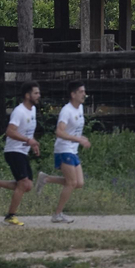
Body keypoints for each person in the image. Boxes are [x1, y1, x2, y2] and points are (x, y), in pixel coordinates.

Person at [0, 81, 43, 226]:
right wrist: (28, 140)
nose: (38, 96)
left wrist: (33, 143)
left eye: (38, 93)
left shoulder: (32, 110)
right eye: (35, 93)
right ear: (27, 95)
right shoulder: (19, 111)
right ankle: (10, 216)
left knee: (27, 186)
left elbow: (27, 131)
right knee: (23, 183)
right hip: (13, 151)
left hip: (22, 151)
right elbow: (10, 132)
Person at [49, 80, 90, 224]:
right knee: (71, 182)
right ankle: (57, 214)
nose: (84, 94)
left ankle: (46, 179)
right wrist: (77, 139)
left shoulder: (80, 108)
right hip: (64, 149)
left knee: (79, 183)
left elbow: (75, 130)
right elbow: (59, 132)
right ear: (73, 94)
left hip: (73, 149)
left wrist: (80, 138)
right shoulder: (66, 111)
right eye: (81, 92)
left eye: (84, 91)